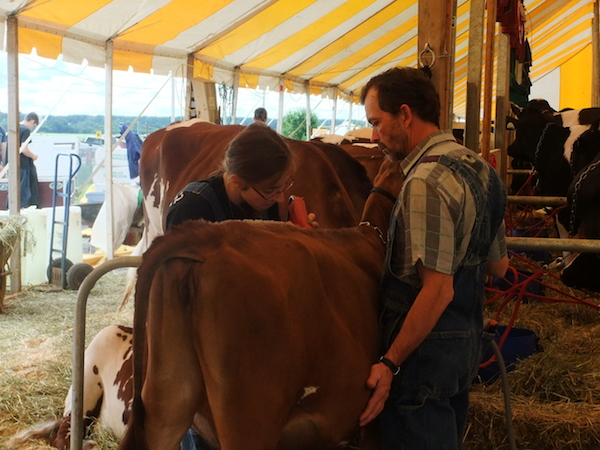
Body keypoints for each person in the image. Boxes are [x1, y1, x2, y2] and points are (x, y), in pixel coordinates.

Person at [357, 67, 509, 449]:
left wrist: (390, 362)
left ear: (405, 114)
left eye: (377, 122)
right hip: (465, 344)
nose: (374, 136)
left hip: (422, 356)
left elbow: (438, 291)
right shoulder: (480, 168)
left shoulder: (424, 181)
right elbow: (498, 266)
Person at [166, 121, 314, 450]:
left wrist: (295, 236)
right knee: (206, 433)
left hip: (251, 344)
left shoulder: (269, 205)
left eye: (283, 186)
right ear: (237, 181)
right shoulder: (192, 209)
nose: (279, 196)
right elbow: (181, 296)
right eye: (270, 190)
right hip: (204, 350)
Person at [5, 112, 40, 208]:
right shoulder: (25, 130)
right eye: (33, 126)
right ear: (32, 121)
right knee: (24, 193)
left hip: (10, 165)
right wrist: (34, 156)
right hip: (22, 165)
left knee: (12, 192)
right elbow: (24, 149)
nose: (32, 128)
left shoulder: (13, 129)